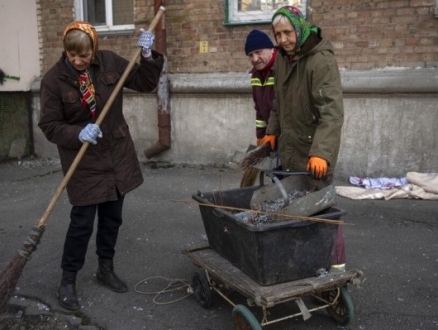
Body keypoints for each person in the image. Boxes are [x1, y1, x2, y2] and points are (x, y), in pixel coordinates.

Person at [38, 21, 164, 310]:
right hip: (83, 160)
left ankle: (105, 269)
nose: (78, 61)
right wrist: (76, 132)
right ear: (66, 51)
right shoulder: (53, 80)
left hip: (116, 155)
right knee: (81, 223)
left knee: (112, 218)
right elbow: (49, 124)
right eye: (73, 56)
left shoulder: (109, 62)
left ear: (94, 49)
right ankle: (68, 280)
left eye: (84, 55)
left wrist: (147, 56)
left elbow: (145, 83)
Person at [259, 6, 346, 272]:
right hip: (291, 152)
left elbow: (332, 112)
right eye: (277, 34)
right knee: (294, 211)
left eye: (287, 32)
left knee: (323, 211)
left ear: (299, 27)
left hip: (314, 155)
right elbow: (278, 103)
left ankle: (335, 269)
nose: (282, 39)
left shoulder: (320, 60)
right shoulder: (285, 59)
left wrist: (321, 152)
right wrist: (271, 131)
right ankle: (301, 266)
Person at [240, 30, 278, 187]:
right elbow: (260, 110)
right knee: (277, 176)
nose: (255, 59)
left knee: (289, 178)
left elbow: (286, 107)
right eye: (250, 55)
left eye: (258, 52)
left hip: (288, 136)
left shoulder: (283, 69)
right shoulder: (256, 75)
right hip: (271, 137)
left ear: (271, 49)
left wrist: (274, 132)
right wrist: (261, 136)